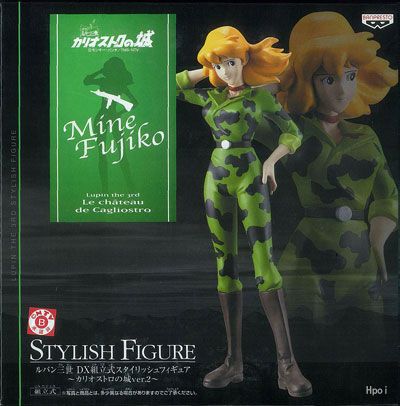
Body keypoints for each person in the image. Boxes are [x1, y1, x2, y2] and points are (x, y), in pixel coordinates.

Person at [177, 26, 312, 397]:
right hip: (215, 180)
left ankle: (287, 366)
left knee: (263, 263)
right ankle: (233, 363)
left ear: (246, 61)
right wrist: (207, 67)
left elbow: (292, 133)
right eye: (220, 64)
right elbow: (168, 86)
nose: (227, 71)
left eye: (232, 62)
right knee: (224, 265)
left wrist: (271, 161)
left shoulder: (259, 98)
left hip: (251, 178)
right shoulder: (209, 97)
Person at [255, 12, 398, 322]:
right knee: (304, 328)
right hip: (306, 254)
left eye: (350, 76)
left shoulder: (366, 137)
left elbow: (387, 196)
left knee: (365, 332)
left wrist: (377, 243)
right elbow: (245, 113)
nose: (342, 90)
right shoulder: (293, 131)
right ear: (307, 81)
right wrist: (282, 81)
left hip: (359, 257)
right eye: (328, 79)